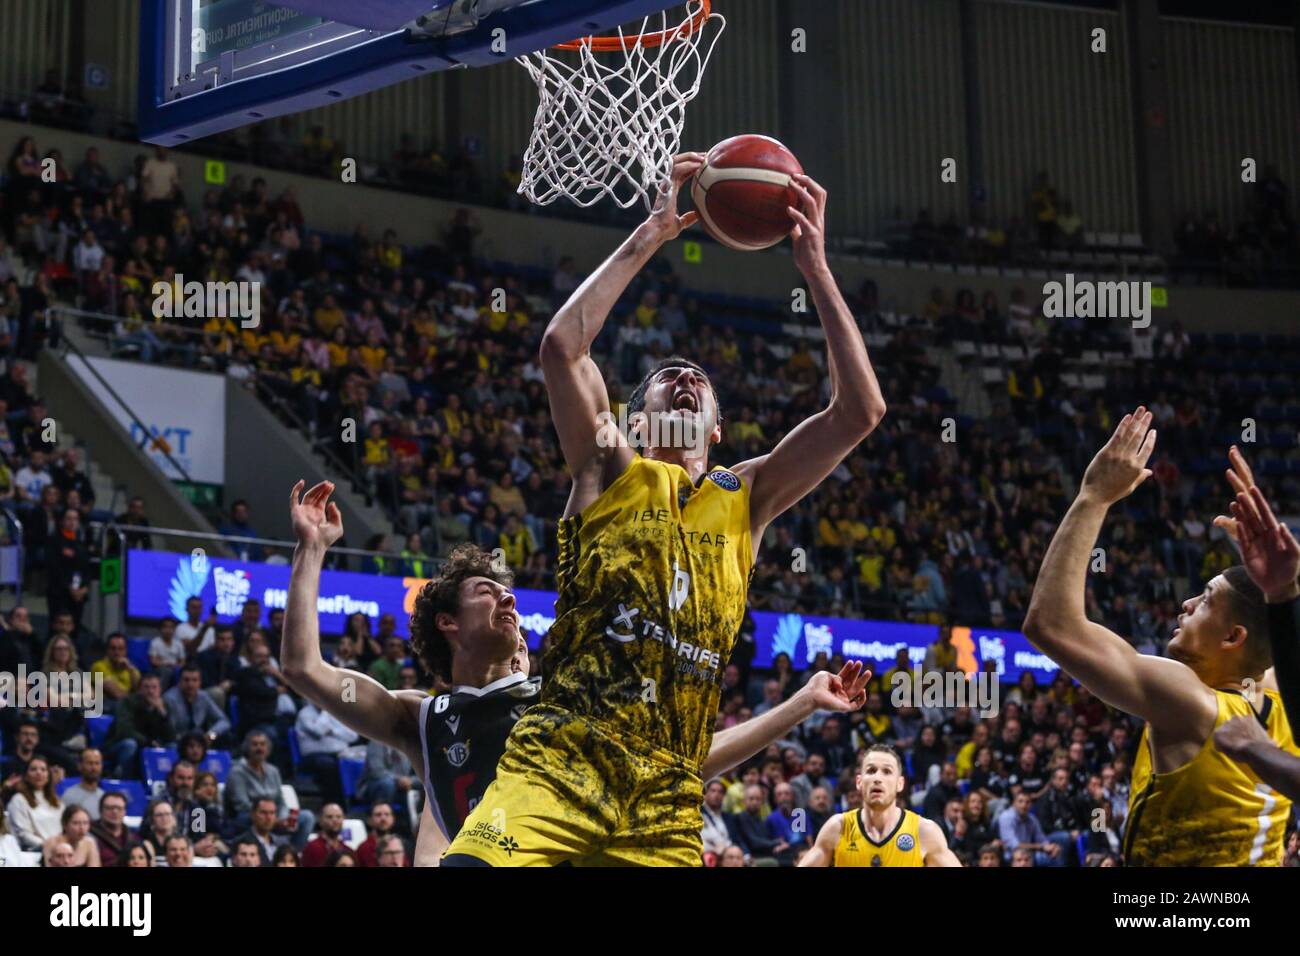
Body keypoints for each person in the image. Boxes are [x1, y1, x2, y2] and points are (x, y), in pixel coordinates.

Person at [442, 155, 885, 865]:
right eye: (662, 381)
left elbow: (860, 411)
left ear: (714, 430)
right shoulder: (610, 463)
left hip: (667, 794)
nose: (683, 379)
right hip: (562, 761)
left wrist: (817, 272)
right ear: (639, 422)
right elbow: (562, 347)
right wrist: (649, 234)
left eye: (698, 382)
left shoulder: (748, 498)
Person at [280, 482, 872, 867]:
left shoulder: (567, 698)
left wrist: (802, 703)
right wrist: (312, 548)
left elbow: (684, 763)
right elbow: (303, 667)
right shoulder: (422, 718)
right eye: (488, 592)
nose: (508, 601)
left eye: (510, 592)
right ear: (447, 623)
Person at [1023, 410, 1299, 866]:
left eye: (1206, 599)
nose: (1187, 604)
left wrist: (1093, 497)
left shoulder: (1193, 703)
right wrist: (1278, 581)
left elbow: (1050, 625)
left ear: (1233, 637)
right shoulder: (1283, 697)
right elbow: (1285, 630)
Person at [799, 745, 960, 866]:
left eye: (887, 771)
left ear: (900, 784)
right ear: (859, 782)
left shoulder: (923, 831)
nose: (877, 778)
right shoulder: (838, 827)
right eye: (871, 770)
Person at [5, 755, 62, 849]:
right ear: (26, 776)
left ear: (48, 776)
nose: (38, 773)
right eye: (33, 769)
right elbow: (23, 834)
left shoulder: (57, 801)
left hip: (60, 851)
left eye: (43, 769)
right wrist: (48, 846)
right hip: (34, 852)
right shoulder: (18, 800)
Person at [89, 791, 136, 867]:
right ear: (100, 810)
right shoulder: (88, 836)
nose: (115, 811)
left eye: (119, 808)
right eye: (109, 808)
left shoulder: (134, 838)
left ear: (125, 812)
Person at [60, 748, 105, 821]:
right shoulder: (69, 796)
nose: (94, 768)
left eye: (97, 763)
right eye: (90, 763)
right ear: (80, 766)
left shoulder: (104, 797)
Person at [301, 802, 349, 867]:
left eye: (338, 817)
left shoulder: (348, 850)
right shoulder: (311, 848)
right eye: (329, 817)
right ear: (320, 820)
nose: (335, 820)